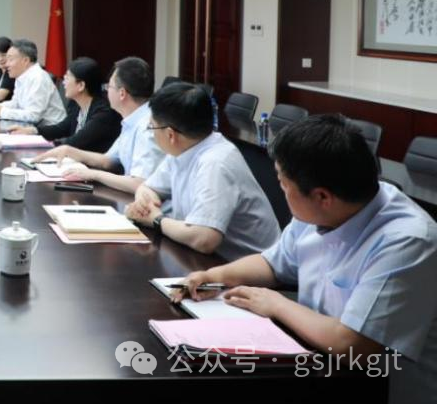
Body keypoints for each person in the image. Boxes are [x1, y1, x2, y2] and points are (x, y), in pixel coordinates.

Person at [176, 115, 437, 404]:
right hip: (320, 367)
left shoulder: (408, 240)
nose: (281, 189)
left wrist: (276, 304)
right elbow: (273, 264)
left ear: (322, 196)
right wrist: (215, 276)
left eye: (283, 183)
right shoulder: (321, 209)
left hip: (386, 390)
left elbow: (353, 344)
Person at [125, 82, 279, 259]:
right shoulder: (185, 147)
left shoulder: (216, 163)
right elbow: (148, 187)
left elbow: (204, 239)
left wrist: (156, 220)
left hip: (246, 268)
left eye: (152, 127)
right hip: (205, 258)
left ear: (170, 135)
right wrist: (145, 203)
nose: (151, 133)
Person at [33, 56, 165, 194]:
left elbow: (139, 183)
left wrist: (94, 174)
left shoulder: (148, 127)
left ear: (122, 94)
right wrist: (69, 151)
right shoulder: (131, 120)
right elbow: (108, 160)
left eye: (109, 86)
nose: (106, 91)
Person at [14, 57, 120, 152]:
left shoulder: (103, 113)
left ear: (81, 85)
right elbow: (62, 128)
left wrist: (37, 146)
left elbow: (75, 142)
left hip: (92, 165)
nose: (64, 82)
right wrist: (33, 131)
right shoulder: (75, 104)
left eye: (67, 77)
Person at [0, 39, 65, 126]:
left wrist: (0, 111)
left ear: (25, 60)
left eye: (10, 59)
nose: (6, 64)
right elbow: (15, 103)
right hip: (30, 127)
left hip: (50, 131)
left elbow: (33, 116)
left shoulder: (38, 78)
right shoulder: (21, 76)